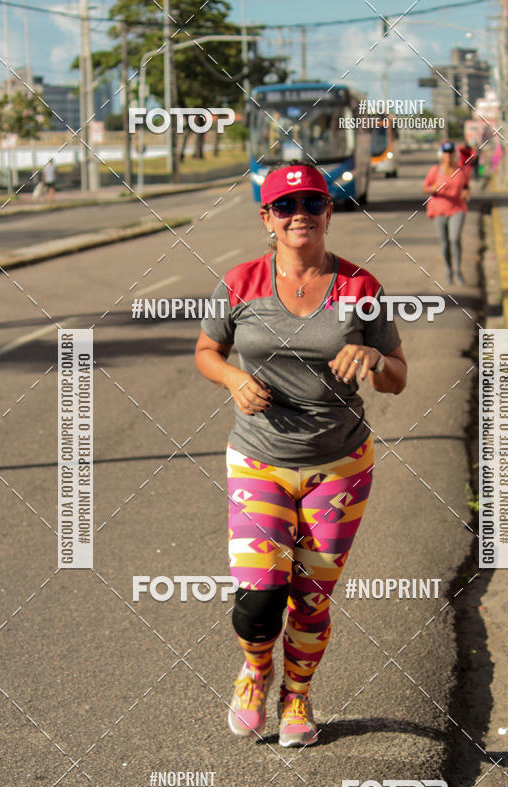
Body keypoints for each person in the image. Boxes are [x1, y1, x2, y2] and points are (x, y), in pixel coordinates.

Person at [195, 162, 407, 748]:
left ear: (329, 212)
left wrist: (373, 361)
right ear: (267, 218)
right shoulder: (240, 284)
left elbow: (397, 377)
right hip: (259, 459)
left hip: (339, 465)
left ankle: (297, 698)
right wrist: (233, 381)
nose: (300, 216)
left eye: (312, 203)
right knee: (261, 595)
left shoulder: (361, 288)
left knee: (311, 598)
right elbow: (208, 351)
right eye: (285, 207)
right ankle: (256, 669)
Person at [423, 140, 470, 285]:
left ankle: (457, 270)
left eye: (450, 152)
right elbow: (425, 187)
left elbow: (466, 187)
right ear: (442, 155)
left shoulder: (460, 171)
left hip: (457, 209)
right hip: (439, 210)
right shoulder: (435, 170)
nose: (448, 155)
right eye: (446, 152)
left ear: (454, 154)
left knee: (454, 239)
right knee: (444, 243)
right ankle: (449, 270)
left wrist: (466, 193)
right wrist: (433, 188)